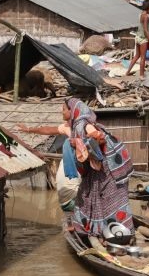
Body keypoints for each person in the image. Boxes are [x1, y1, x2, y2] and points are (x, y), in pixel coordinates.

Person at [18, 98, 134, 237]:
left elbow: (99, 138)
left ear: (72, 111)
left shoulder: (84, 125)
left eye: (64, 109)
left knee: (110, 198)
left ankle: (117, 232)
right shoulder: (71, 127)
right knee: (85, 195)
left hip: (108, 167)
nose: (62, 112)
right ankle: (87, 227)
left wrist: (79, 142)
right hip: (94, 169)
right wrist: (29, 129)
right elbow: (49, 130)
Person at [126, 0, 149, 78]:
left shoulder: (140, 14)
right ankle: (141, 75)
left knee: (137, 56)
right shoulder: (146, 17)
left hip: (138, 37)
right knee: (143, 58)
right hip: (143, 39)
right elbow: (146, 30)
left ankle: (127, 71)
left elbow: (143, 28)